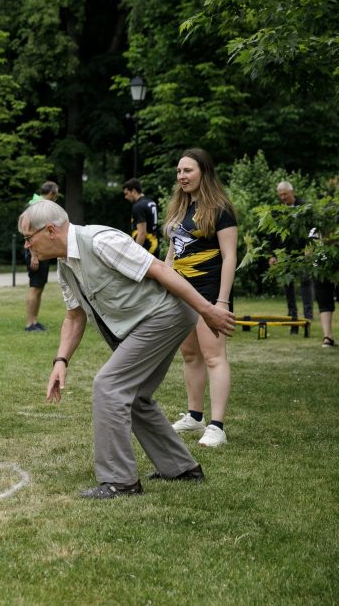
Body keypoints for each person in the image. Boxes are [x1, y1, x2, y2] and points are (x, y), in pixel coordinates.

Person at [20, 199, 235, 499]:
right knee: (135, 397)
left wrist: (207, 310)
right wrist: (61, 360)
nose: (27, 246)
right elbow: (74, 316)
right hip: (150, 322)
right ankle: (181, 468)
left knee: (109, 386)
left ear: (51, 231)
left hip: (164, 315)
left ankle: (120, 482)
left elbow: (160, 269)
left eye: (29, 238)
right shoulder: (65, 267)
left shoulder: (100, 241)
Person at [163, 148, 238, 448]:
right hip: (181, 293)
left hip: (209, 292)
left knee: (213, 356)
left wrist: (221, 302)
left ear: (203, 172)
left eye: (188, 170)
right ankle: (195, 416)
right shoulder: (180, 209)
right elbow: (173, 251)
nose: (182, 176)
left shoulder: (220, 209)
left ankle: (217, 426)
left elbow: (230, 256)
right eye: (179, 171)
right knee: (190, 355)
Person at [268, 181, 314, 332]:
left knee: (306, 282)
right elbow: (272, 235)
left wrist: (310, 247)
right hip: (283, 253)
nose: (283, 197)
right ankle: (292, 315)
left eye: (285, 194)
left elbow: (312, 229)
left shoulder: (305, 208)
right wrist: (272, 255)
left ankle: (308, 315)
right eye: (280, 195)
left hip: (303, 252)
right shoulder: (276, 211)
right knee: (288, 285)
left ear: (292, 192)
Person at [24, 181, 60, 331]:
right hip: (36, 252)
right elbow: (27, 232)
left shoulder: (40, 205)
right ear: (51, 193)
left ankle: (35, 321)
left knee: (39, 288)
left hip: (42, 252)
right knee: (34, 287)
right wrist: (34, 255)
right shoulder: (36, 207)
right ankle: (29, 324)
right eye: (56, 195)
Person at [122, 177, 160, 257]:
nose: (125, 197)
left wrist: (134, 253)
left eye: (126, 193)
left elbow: (142, 233)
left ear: (134, 191)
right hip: (155, 246)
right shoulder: (151, 202)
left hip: (146, 250)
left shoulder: (138, 206)